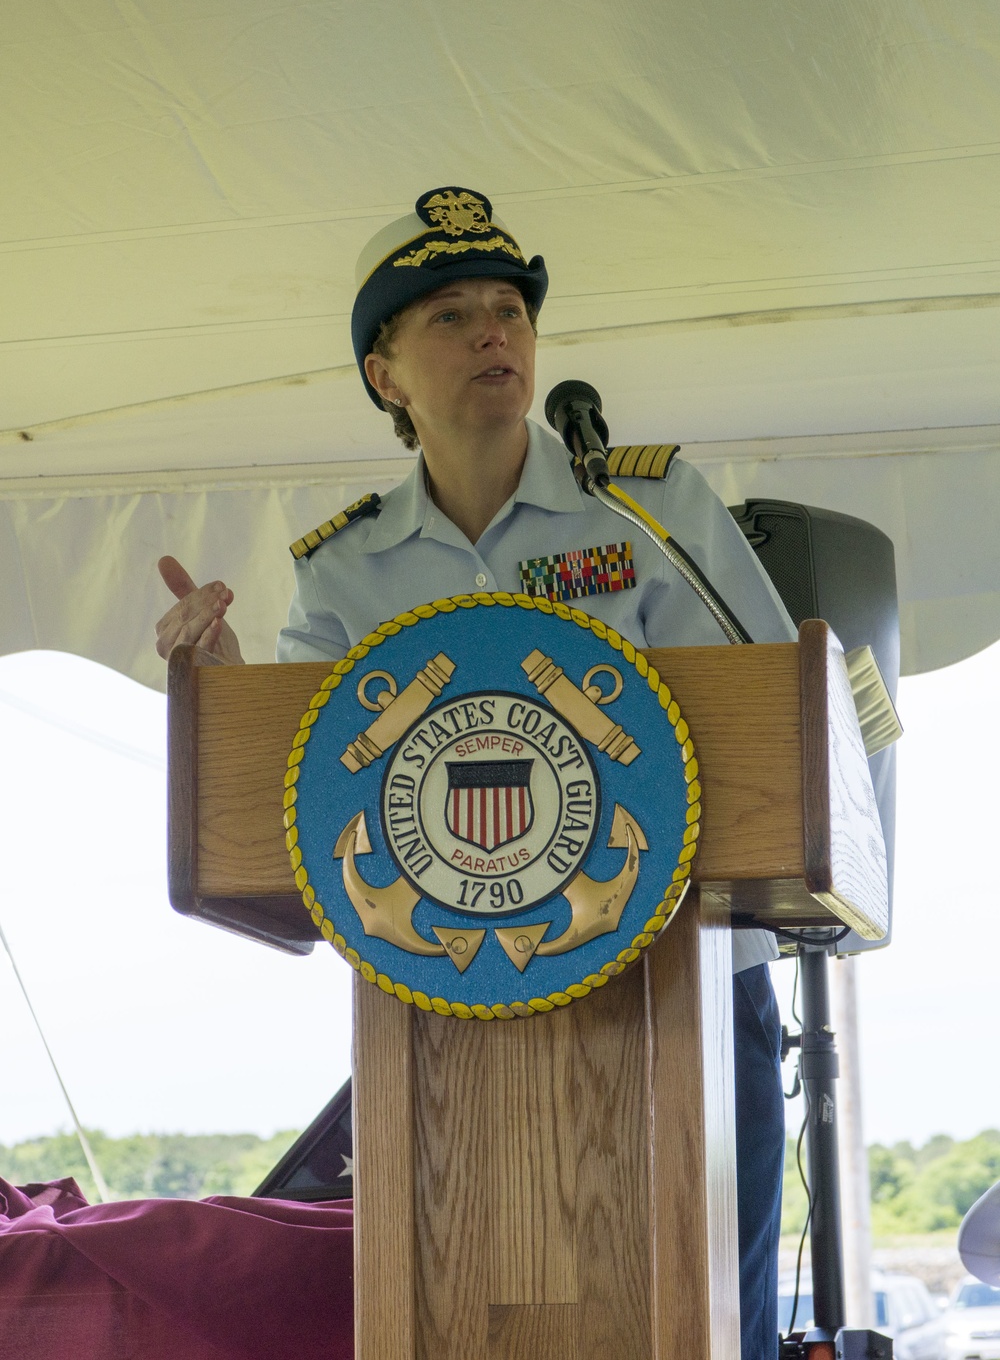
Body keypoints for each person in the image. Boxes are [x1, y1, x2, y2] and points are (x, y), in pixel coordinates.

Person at [155, 186, 792, 1359]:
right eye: (449, 314)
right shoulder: (347, 567)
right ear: (383, 373)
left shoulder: (649, 507)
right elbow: (300, 785)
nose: (494, 330)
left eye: (509, 307)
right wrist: (229, 689)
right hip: (451, 1001)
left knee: (716, 1324)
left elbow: (775, 706)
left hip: (683, 975)